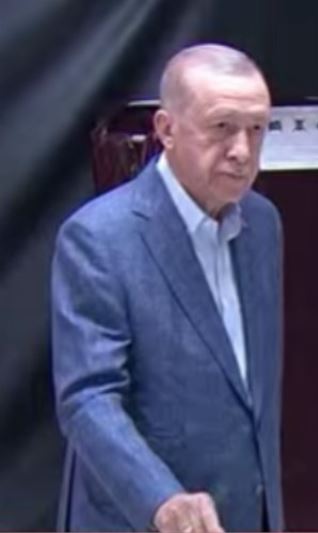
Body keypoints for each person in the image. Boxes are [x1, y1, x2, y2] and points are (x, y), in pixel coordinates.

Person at [51, 44, 284, 532]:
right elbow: (88, 399)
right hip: (143, 517)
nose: (242, 151)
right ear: (167, 129)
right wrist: (160, 499)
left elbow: (248, 389)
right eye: (222, 127)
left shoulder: (263, 224)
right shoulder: (99, 237)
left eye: (257, 129)